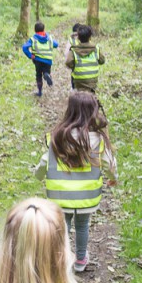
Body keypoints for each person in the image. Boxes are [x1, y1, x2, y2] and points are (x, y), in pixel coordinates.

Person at [33, 91, 117, 272]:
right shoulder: (99, 140)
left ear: (69, 111)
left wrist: (39, 176)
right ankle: (80, 260)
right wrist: (113, 179)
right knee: (82, 225)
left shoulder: (57, 137)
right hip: (86, 196)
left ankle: (60, 261)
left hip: (60, 195)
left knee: (63, 227)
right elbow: (110, 164)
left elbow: (44, 162)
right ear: (92, 112)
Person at [21, 21, 58, 97]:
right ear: (44, 29)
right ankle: (46, 74)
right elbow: (56, 44)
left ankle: (40, 92)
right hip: (48, 60)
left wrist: (30, 55)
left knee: (38, 75)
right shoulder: (49, 38)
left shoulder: (33, 39)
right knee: (46, 71)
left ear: (35, 30)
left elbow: (24, 47)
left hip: (38, 60)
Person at [65, 24, 105, 93]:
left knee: (77, 93)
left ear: (78, 37)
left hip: (78, 81)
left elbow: (68, 63)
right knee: (92, 94)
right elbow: (102, 61)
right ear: (90, 37)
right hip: (92, 80)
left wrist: (75, 66)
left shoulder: (73, 50)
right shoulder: (96, 49)